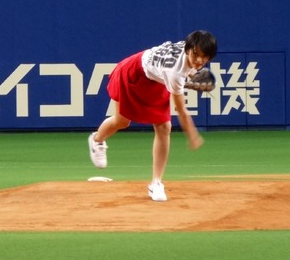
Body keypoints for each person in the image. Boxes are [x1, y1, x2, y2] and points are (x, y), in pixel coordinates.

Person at [88, 30, 217, 201]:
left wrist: (192, 73)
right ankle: (96, 140)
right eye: (196, 54)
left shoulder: (186, 52)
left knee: (164, 126)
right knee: (122, 121)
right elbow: (182, 110)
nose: (200, 60)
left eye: (205, 56)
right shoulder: (175, 73)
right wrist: (192, 135)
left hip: (155, 81)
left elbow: (181, 64)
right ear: (188, 49)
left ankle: (156, 183)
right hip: (133, 73)